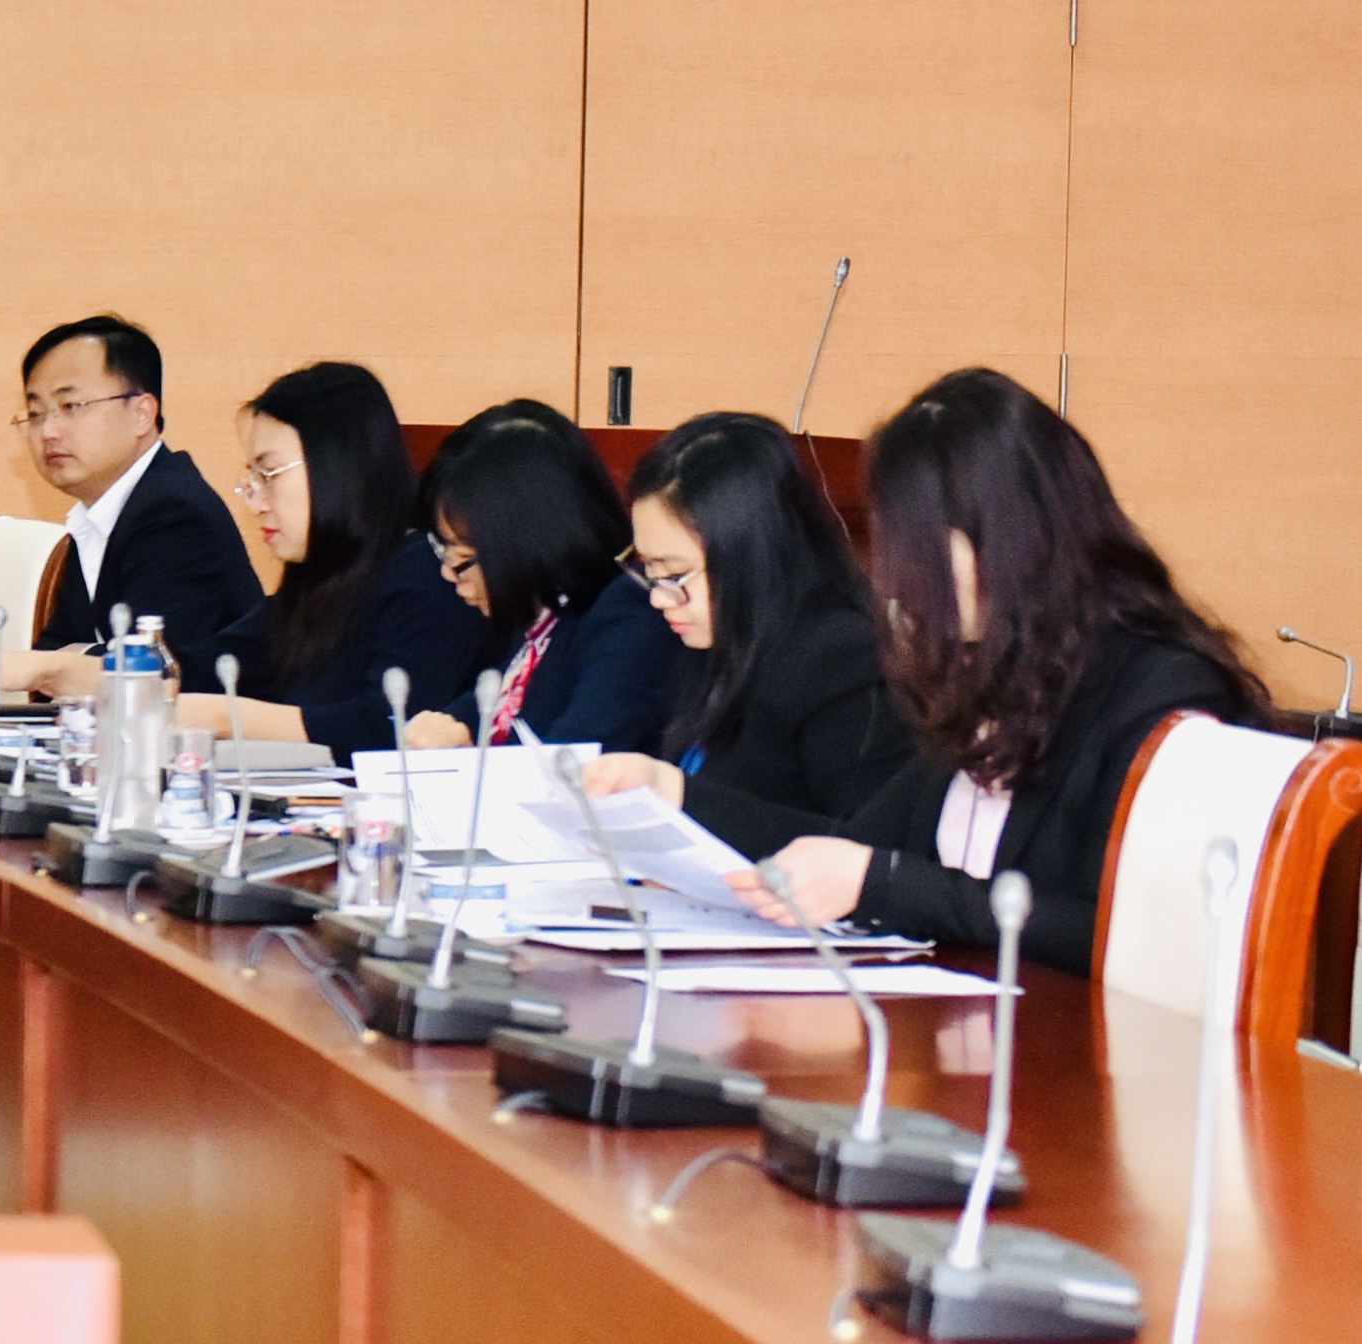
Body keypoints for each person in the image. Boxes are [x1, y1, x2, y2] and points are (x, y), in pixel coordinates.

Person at [738, 369, 1258, 972]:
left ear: (1015, 538)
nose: (901, 585)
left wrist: (889, 884)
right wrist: (679, 810)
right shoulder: (994, 678)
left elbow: (1130, 934)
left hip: (1076, 1029)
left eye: (920, 552)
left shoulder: (1163, 693)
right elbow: (851, 846)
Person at [565, 412, 913, 850]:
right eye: (649, 572)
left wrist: (676, 795)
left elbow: (862, 851)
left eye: (674, 575)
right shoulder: (720, 641)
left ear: (750, 555)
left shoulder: (842, 659)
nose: (659, 598)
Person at [0, 315, 261, 699]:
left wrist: (64, 665)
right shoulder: (103, 514)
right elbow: (53, 651)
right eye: (36, 414)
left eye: (71, 405)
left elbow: (150, 671)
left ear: (141, 413)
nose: (48, 431)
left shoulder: (173, 513)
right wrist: (70, 662)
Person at [168, 360, 479, 753]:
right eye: (253, 479)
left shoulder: (428, 573)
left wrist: (225, 718)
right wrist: (110, 671)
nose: (256, 503)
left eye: (269, 474)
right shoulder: (319, 573)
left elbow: (389, 727)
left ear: (337, 466)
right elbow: (207, 668)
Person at [408, 401, 683, 748]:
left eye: (462, 558)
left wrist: (466, 752)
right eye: (442, 551)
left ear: (524, 543)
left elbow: (579, 759)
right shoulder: (544, 617)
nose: (448, 574)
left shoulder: (627, 622)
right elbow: (488, 712)